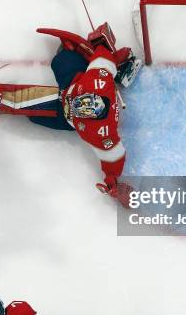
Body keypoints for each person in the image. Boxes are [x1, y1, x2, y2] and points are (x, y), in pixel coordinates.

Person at [30, 23, 142, 202]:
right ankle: (74, 56)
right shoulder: (97, 80)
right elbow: (104, 60)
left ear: (92, 117)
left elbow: (115, 157)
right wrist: (100, 47)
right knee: (60, 60)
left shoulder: (102, 133)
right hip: (73, 83)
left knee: (33, 117)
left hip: (64, 118)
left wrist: (111, 180)